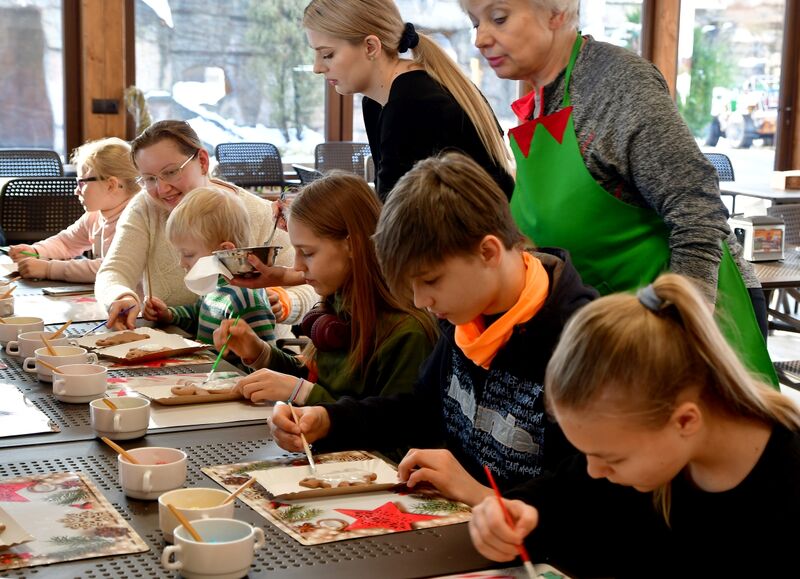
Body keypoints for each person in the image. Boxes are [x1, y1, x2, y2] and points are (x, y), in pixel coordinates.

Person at [464, 0, 776, 384]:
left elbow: (698, 211)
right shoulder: (542, 102)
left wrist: (677, 328)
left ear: (556, 12)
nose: (480, 38)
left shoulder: (618, 85)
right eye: (474, 22)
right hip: (617, 330)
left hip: (694, 322)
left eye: (498, 18)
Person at [269, 153, 596, 506]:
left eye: (430, 280)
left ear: (488, 252)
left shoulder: (582, 345)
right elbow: (421, 409)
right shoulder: (465, 315)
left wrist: (488, 498)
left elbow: (593, 489)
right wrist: (329, 421)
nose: (421, 300)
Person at [468, 273, 800, 577]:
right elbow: (567, 492)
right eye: (589, 455)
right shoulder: (640, 452)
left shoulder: (784, 480)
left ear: (685, 421)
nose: (595, 470)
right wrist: (520, 513)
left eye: (612, 459)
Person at [213, 171, 436, 405]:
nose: (297, 265)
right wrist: (260, 353)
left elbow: (389, 430)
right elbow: (315, 380)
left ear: (352, 245)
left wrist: (301, 393)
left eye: (307, 253)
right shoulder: (339, 302)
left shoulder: (408, 334)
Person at [94, 120, 318, 338]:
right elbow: (114, 270)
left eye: (171, 172)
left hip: (258, 361)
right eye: (149, 179)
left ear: (202, 161)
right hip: (176, 350)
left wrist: (288, 302)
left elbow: (314, 283)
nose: (161, 189)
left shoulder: (258, 213)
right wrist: (120, 296)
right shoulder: (145, 207)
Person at [303, 0, 514, 201]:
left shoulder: (411, 105)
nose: (317, 68)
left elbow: (396, 223)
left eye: (328, 55)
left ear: (370, 47)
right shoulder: (379, 102)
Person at [142, 187, 275, 348]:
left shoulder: (246, 300)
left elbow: (264, 362)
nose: (182, 263)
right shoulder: (215, 283)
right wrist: (169, 315)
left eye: (188, 254)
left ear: (225, 251)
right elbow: (199, 314)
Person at [9, 137, 139, 282]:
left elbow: (110, 268)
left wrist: (48, 269)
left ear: (111, 185)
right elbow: (66, 243)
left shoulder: (136, 220)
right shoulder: (94, 216)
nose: (76, 191)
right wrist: (36, 251)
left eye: (81, 183)